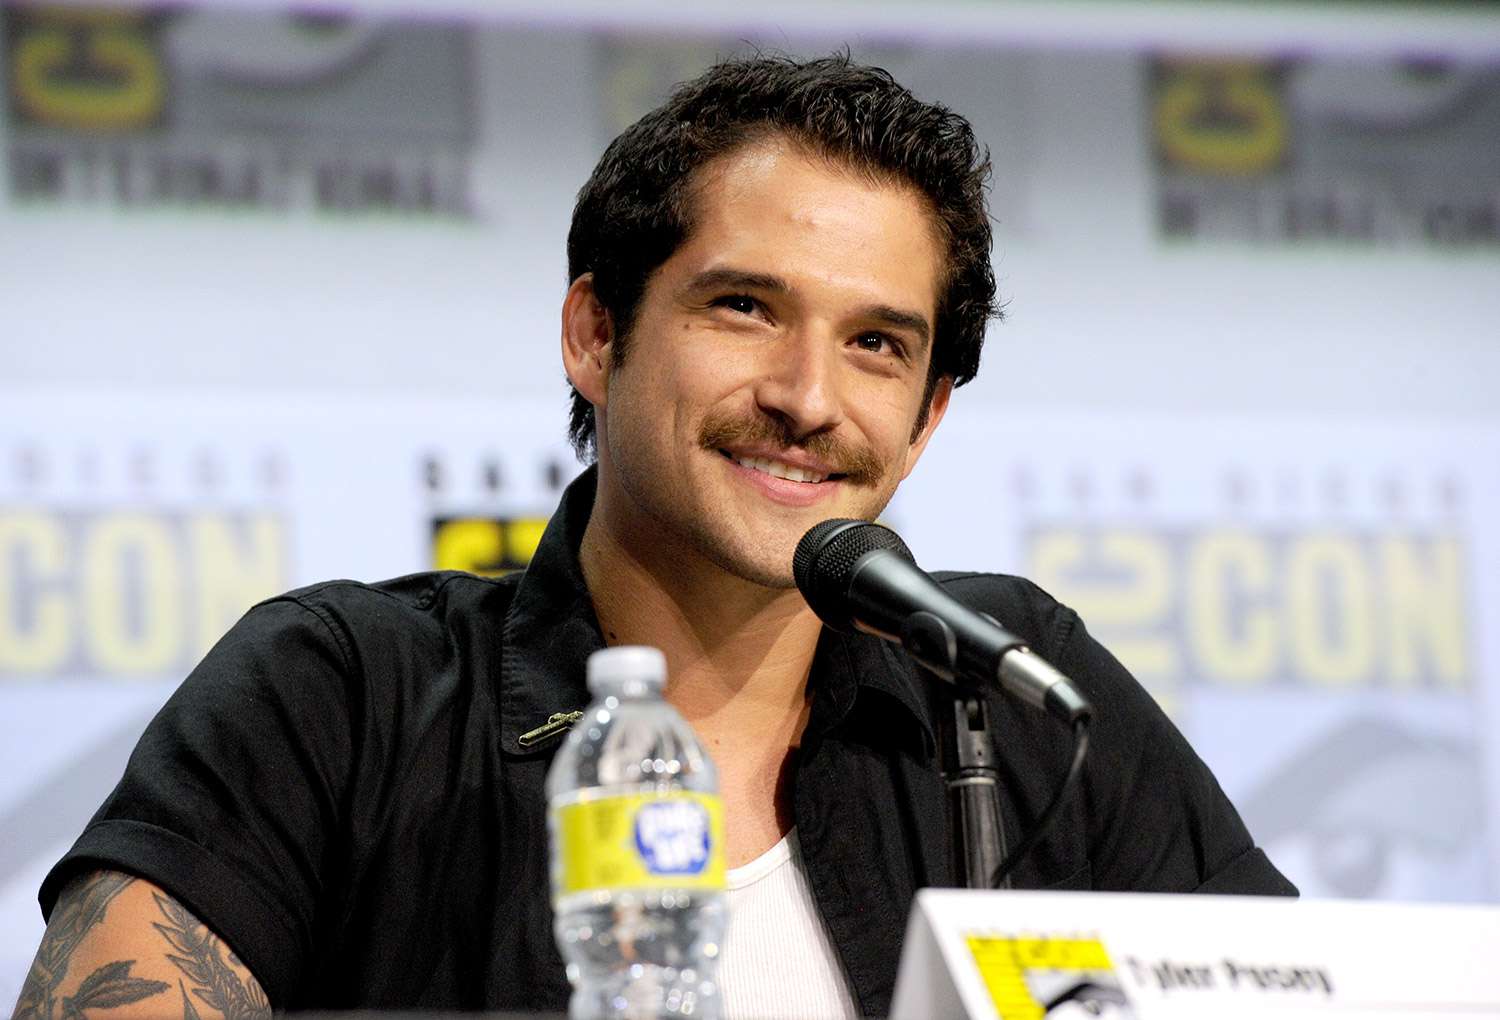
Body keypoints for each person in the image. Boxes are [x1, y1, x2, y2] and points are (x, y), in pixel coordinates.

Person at [14, 54, 1294, 1020]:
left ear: (927, 417)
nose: (806, 395)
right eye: (744, 307)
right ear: (595, 332)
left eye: (876, 345)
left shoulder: (1009, 683)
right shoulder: (344, 688)